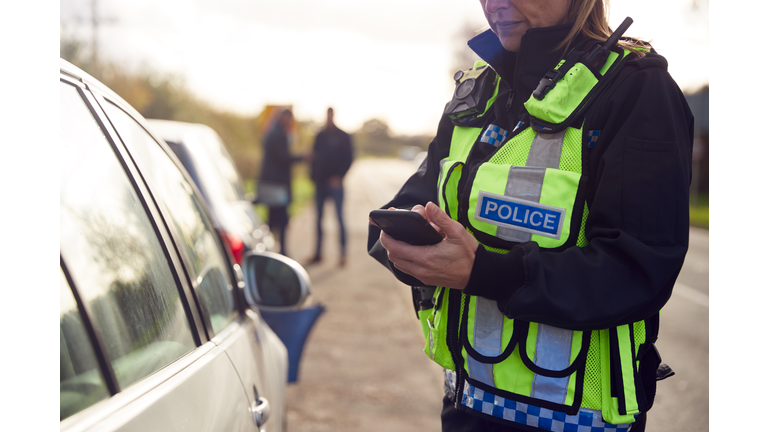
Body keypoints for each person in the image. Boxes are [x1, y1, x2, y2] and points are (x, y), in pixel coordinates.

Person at [367, 0, 693, 431]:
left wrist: (485, 272)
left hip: (582, 422)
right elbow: (416, 200)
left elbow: (637, 270)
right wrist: (407, 247)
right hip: (467, 407)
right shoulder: (477, 88)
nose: (495, 3)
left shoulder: (637, 91)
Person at [308, 107, 354, 267]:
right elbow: (313, 156)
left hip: (336, 184)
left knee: (339, 218)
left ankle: (343, 254)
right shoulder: (319, 135)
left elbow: (349, 159)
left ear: (333, 115)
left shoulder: (343, 136)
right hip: (320, 184)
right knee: (318, 218)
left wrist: (339, 177)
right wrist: (312, 177)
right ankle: (318, 253)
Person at [258, 109, 303, 256]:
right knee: (280, 220)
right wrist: (302, 157)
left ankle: (269, 250)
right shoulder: (277, 134)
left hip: (274, 185)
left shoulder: (274, 132)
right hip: (276, 186)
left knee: (274, 219)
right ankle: (279, 251)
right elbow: (284, 158)